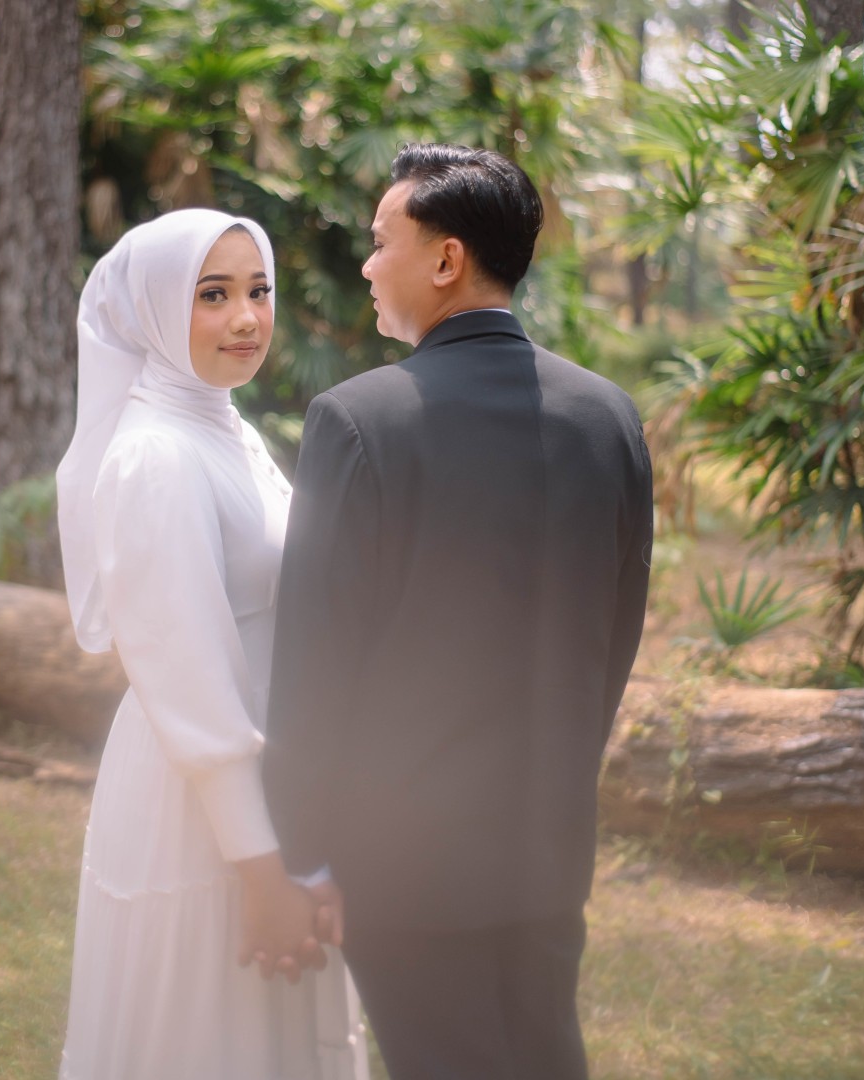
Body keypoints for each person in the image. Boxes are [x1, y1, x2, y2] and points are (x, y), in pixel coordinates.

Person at [261, 144, 654, 1079]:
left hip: (404, 864)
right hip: (549, 845)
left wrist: (301, 853)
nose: (367, 265)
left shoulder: (358, 421)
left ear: (446, 260)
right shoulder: (609, 417)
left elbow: (317, 659)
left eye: (380, 241)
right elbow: (616, 637)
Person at [54, 209, 368, 1080]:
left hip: (272, 780)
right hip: (202, 804)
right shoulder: (156, 456)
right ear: (156, 308)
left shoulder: (223, 426)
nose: (246, 318)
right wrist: (263, 873)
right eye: (213, 295)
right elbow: (188, 676)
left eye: (258, 291)